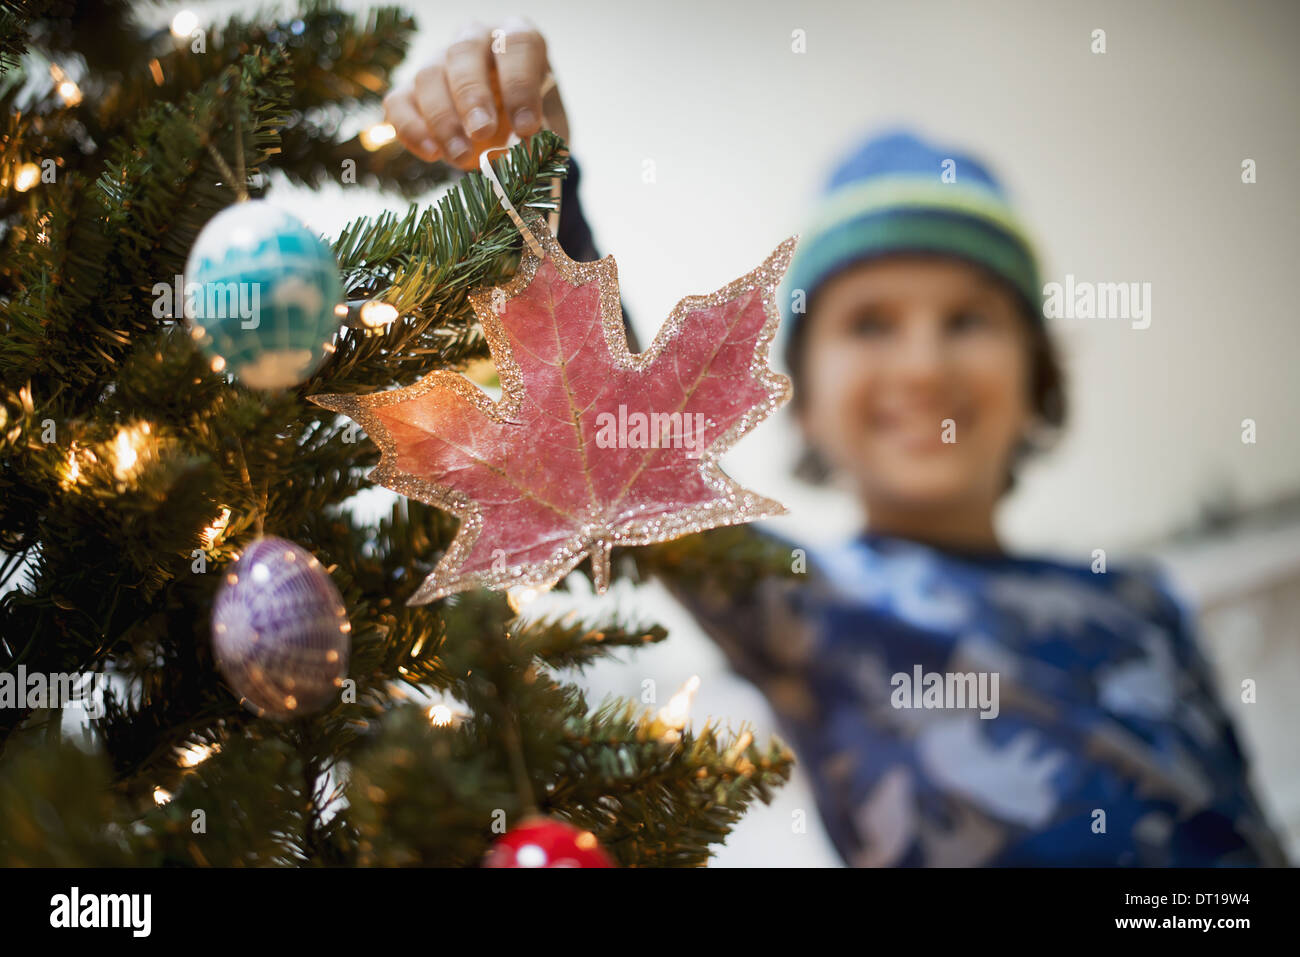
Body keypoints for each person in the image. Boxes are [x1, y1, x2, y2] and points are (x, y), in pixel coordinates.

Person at [382, 19, 1288, 866]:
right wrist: (538, 183)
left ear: (1038, 376)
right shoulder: (813, 608)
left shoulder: (1145, 603)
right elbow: (620, 457)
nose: (923, 365)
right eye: (870, 325)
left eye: (969, 318)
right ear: (803, 403)